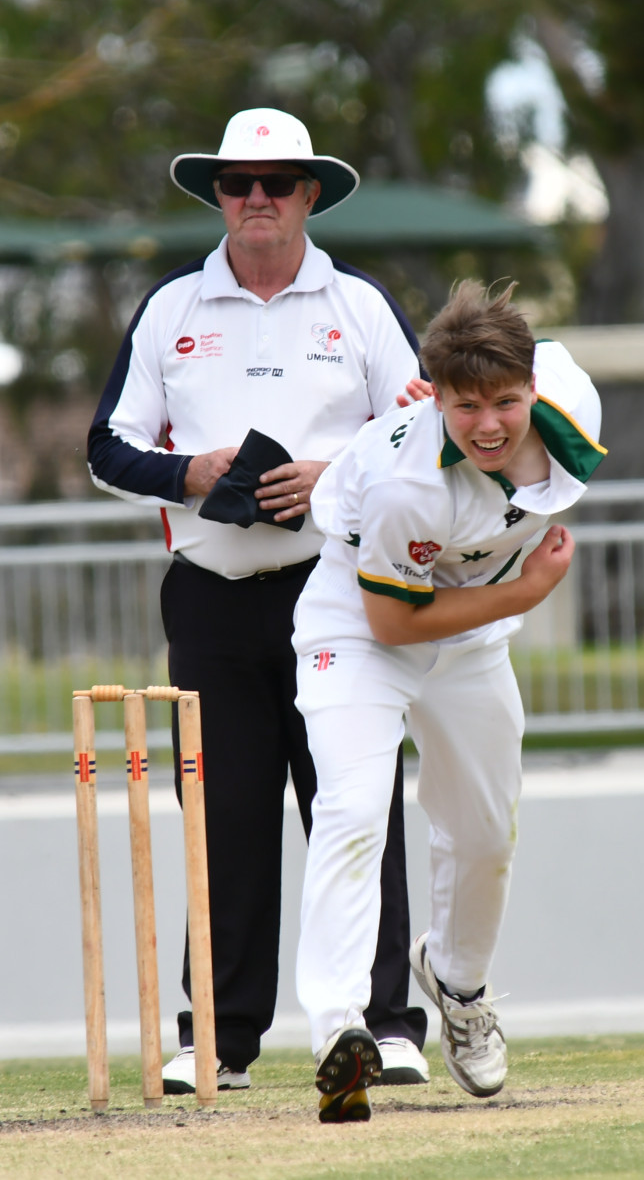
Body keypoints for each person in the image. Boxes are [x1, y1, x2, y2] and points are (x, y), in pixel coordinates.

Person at [86, 108, 431, 1093]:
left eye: (275, 183)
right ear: (218, 197)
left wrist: (330, 471)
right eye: (237, 183)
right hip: (211, 592)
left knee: (356, 804)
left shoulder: (358, 307)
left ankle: (386, 1024)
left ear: (309, 194)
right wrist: (188, 473)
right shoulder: (172, 310)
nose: (255, 199)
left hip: (336, 592)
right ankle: (220, 1038)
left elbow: (422, 439)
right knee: (222, 813)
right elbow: (107, 447)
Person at [289, 281, 605, 1122]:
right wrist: (525, 593)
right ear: (433, 395)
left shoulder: (574, 405)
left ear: (536, 385)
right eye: (467, 406)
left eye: (507, 400)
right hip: (359, 624)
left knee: (486, 832)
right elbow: (393, 620)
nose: (492, 424)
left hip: (468, 636)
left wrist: (505, 599)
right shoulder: (406, 484)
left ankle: (459, 985)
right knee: (353, 809)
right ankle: (337, 1028)